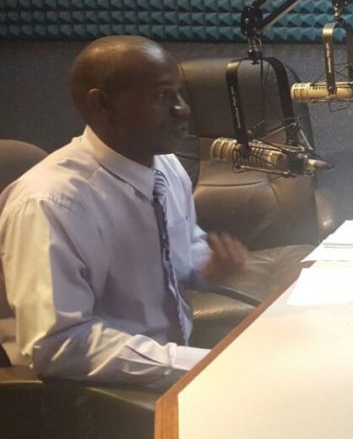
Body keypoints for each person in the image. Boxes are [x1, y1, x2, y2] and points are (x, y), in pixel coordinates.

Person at [0, 36, 248, 389]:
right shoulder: (49, 203)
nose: (182, 109)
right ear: (102, 104)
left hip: (169, 367)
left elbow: (182, 246)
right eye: (161, 96)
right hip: (98, 396)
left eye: (178, 94)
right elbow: (59, 345)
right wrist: (203, 366)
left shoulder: (166, 166)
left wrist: (208, 265)